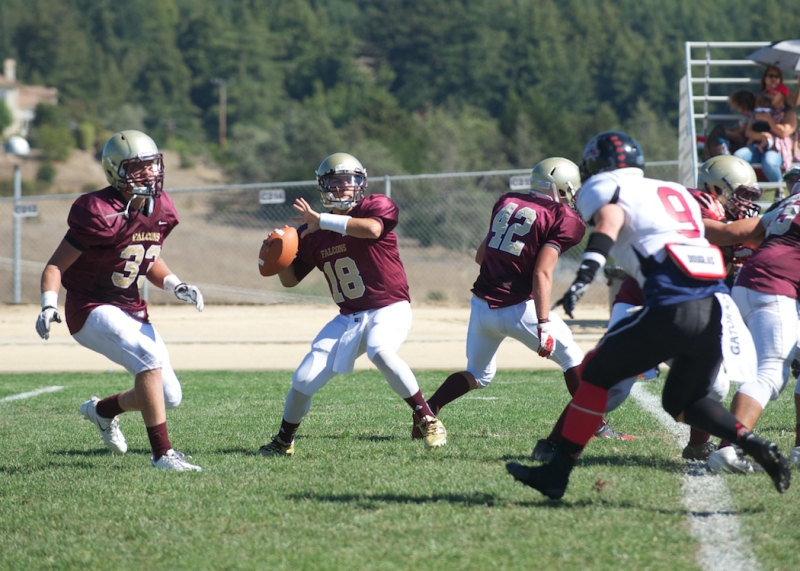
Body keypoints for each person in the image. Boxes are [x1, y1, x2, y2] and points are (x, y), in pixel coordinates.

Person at [505, 130, 791, 499]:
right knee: (683, 402)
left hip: (671, 304)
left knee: (594, 375)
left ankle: (555, 473)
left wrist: (585, 273)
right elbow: (709, 235)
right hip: (715, 308)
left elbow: (610, 220)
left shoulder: (605, 186)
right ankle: (752, 442)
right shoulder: (673, 191)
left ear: (597, 166)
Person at [35, 130, 205, 472]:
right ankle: (163, 455)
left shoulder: (162, 208)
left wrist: (175, 284)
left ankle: (102, 411)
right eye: (138, 167)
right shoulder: (98, 211)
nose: (149, 173)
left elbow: (146, 257)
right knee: (149, 359)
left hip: (131, 308)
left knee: (169, 396)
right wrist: (48, 304)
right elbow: (55, 265)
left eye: (152, 165)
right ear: (116, 171)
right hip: (90, 307)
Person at [257, 152, 446, 455]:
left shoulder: (375, 206)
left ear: (361, 182)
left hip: (389, 307)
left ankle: (427, 418)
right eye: (336, 181)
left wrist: (322, 221)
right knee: (303, 379)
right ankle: (283, 442)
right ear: (324, 186)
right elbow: (290, 280)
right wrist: (278, 254)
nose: (344, 186)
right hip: (349, 317)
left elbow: (372, 229)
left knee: (380, 350)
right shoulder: (311, 233)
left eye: (350, 180)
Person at [421, 158, 591, 442]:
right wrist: (544, 323)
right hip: (518, 306)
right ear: (560, 188)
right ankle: (594, 426)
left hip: (482, 306)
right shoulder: (563, 217)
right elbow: (542, 272)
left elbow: (481, 256)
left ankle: (427, 412)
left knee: (479, 374)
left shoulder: (508, 201)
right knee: (572, 357)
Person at [706, 169, 800, 473]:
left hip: (748, 283)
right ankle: (729, 449)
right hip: (775, 289)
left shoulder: (791, 202)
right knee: (771, 374)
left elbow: (743, 233)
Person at [734, 83, 797, 183]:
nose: (770, 96)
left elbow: (784, 132)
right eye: (769, 94)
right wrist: (761, 136)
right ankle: (748, 187)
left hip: (777, 149)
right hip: (758, 147)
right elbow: (748, 132)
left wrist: (769, 120)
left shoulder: (788, 113)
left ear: (782, 96)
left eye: (774, 94)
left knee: (769, 162)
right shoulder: (761, 110)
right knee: (738, 156)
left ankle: (779, 187)